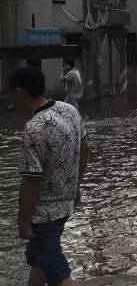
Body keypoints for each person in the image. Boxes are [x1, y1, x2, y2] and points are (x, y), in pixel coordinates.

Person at [9, 67, 89, 286]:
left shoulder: (33, 128)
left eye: (11, 93)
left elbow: (30, 183)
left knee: (57, 271)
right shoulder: (68, 110)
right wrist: (76, 185)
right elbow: (85, 148)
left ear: (19, 91)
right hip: (65, 205)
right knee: (40, 260)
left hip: (43, 215)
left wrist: (23, 222)